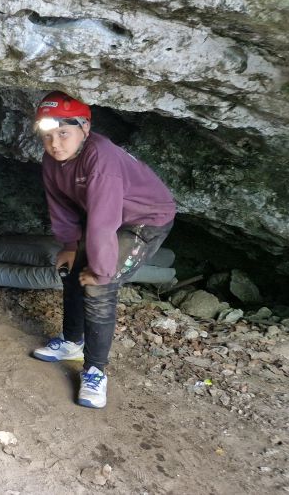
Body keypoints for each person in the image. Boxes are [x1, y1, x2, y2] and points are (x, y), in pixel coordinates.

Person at [30, 91, 176, 409]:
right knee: (72, 272)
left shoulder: (101, 159)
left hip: (144, 220)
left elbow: (102, 222)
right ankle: (72, 342)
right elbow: (61, 205)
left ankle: (95, 371)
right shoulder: (52, 160)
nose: (55, 144)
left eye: (63, 133)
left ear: (84, 128)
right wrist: (70, 245)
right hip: (105, 217)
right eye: (48, 135)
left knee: (99, 287)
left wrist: (100, 270)